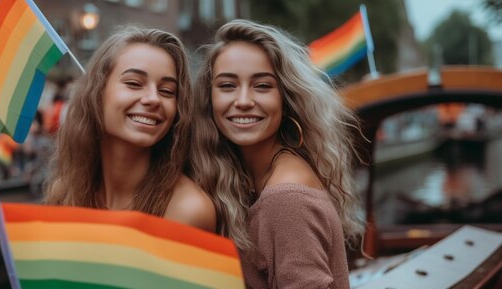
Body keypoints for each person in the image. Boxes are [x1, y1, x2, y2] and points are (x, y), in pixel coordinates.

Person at [191, 19, 364, 288]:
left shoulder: (285, 199)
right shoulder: (254, 176)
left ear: (285, 97)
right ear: (208, 98)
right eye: (227, 86)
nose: (244, 101)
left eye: (262, 86)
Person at [44, 26, 216, 232]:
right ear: (97, 93)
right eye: (134, 83)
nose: (153, 98)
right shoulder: (64, 192)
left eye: (167, 91)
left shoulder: (187, 211)